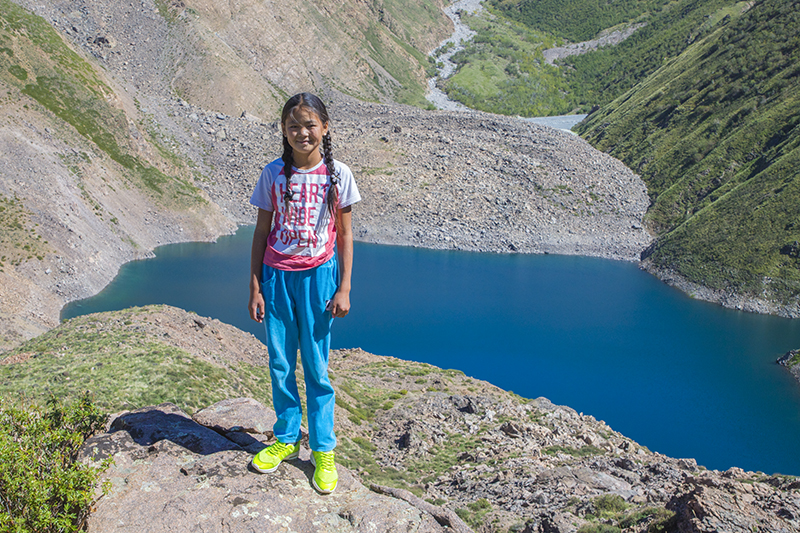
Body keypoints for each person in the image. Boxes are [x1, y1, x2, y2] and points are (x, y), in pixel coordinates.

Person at [247, 93, 360, 494]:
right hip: (277, 277)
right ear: (283, 130)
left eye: (310, 125)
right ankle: (286, 438)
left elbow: (345, 234)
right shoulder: (273, 174)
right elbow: (261, 232)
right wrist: (256, 286)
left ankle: (324, 449)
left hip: (319, 278)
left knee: (316, 366)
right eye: (294, 126)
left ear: (324, 128)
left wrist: (344, 287)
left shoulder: (338, 174)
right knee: (280, 362)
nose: (302, 133)